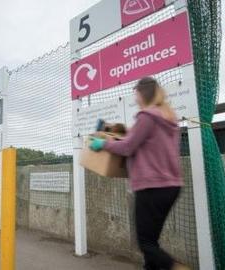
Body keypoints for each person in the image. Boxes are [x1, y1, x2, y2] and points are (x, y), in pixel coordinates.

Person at [89, 77, 188, 270]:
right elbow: (143, 141)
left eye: (136, 94)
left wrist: (103, 144)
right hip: (171, 186)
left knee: (145, 244)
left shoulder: (147, 117)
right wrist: (121, 130)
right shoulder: (168, 118)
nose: (135, 99)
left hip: (152, 187)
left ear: (143, 93)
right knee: (152, 241)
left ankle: (176, 267)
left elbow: (127, 147)